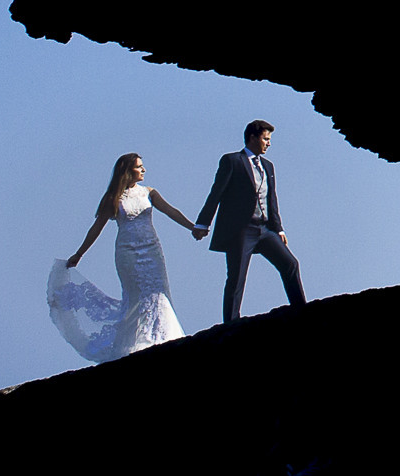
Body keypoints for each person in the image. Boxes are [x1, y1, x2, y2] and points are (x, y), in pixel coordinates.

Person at [47, 152, 204, 361]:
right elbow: (97, 227)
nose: (144, 170)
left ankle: (165, 337)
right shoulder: (114, 198)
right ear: (127, 171)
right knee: (137, 297)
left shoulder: (149, 193)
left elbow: (170, 211)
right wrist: (79, 253)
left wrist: (193, 227)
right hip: (127, 253)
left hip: (152, 250)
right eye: (139, 167)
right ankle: (135, 344)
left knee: (159, 293)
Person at [195, 119, 307, 324]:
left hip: (264, 229)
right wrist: (203, 224)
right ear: (253, 138)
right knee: (236, 278)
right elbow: (216, 194)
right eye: (266, 139)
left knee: (290, 263)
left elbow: (271, 199)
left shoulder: (268, 166)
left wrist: (279, 228)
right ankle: (230, 323)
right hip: (241, 230)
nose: (269, 143)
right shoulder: (232, 161)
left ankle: (301, 309)